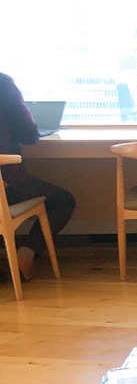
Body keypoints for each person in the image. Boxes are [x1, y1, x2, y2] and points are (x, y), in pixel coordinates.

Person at [0, 72, 76, 280]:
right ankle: (23, 256)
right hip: (7, 185)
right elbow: (29, 134)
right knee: (64, 200)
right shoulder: (2, 83)